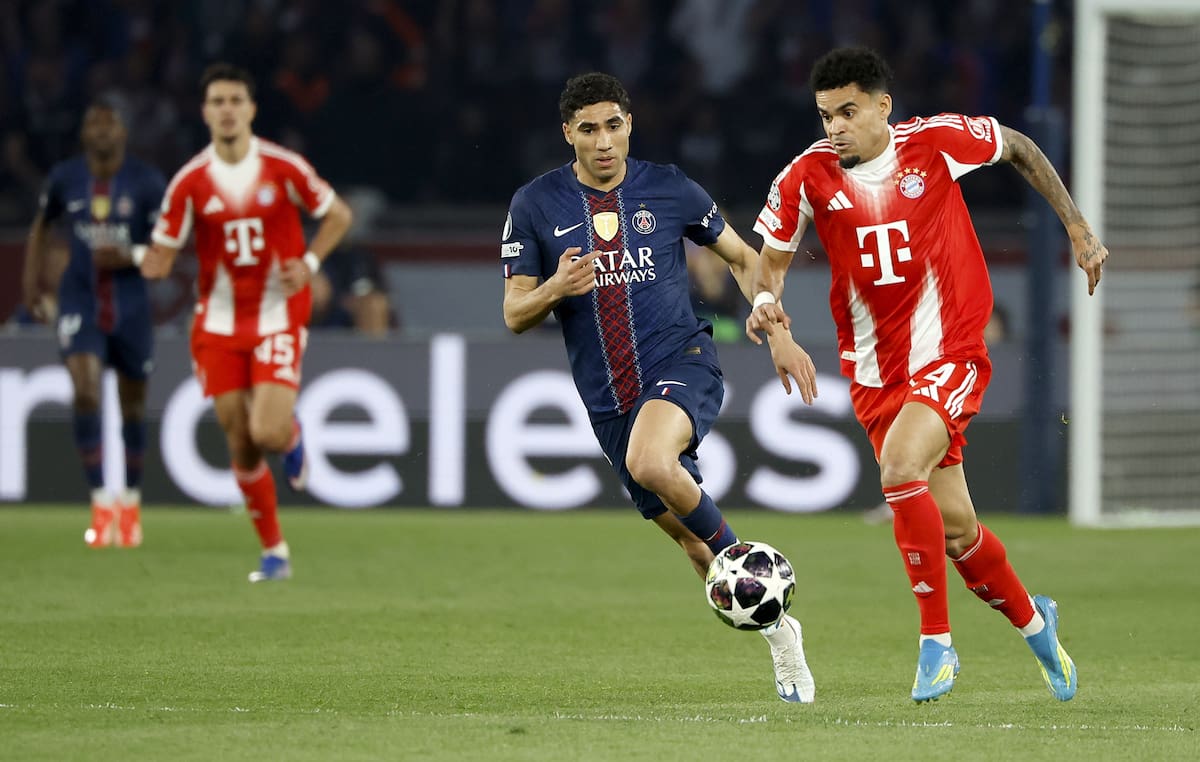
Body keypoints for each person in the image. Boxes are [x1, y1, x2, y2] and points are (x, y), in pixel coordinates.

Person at [746, 47, 1107, 703]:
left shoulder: (936, 143)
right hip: (874, 375)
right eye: (826, 115)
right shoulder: (805, 177)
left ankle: (936, 643)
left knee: (899, 469)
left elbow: (1020, 147)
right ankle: (1037, 625)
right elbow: (767, 268)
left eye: (848, 112)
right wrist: (773, 319)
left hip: (951, 351)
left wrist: (1077, 228)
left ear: (882, 106)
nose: (835, 127)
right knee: (958, 529)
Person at [501, 72, 815, 704]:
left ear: (630, 125)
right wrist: (556, 289)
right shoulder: (535, 204)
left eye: (613, 125)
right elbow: (514, 313)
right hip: (608, 399)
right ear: (568, 134)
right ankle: (781, 635)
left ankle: (747, 563)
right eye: (588, 129)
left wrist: (774, 323)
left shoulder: (669, 187)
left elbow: (744, 258)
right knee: (696, 551)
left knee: (652, 464)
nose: (603, 141)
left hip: (683, 358)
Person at [141, 63, 353, 582]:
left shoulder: (282, 167)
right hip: (217, 323)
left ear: (252, 109)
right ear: (205, 112)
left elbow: (338, 215)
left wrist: (309, 263)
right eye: (218, 101)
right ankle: (275, 552)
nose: (227, 109)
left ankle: (291, 433)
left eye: (236, 100)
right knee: (239, 441)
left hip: (277, 314)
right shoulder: (189, 182)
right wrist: (146, 261)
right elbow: (161, 253)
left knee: (267, 431)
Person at [21, 99, 166, 548]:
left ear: (124, 132)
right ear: (84, 134)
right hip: (79, 298)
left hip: (131, 304)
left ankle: (131, 504)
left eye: (110, 123)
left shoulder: (147, 182)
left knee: (133, 407)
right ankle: (102, 504)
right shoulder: (65, 178)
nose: (102, 130)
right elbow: (42, 226)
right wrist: (30, 283)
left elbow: (167, 246)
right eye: (93, 123)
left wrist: (131, 255)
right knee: (86, 391)